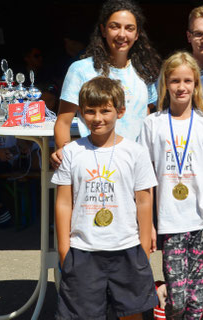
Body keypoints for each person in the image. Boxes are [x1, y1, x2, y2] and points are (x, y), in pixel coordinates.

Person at [52, 77, 157, 319]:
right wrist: (64, 250)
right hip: (83, 249)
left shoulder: (136, 153)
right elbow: (64, 203)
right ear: (81, 112)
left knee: (132, 313)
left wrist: (143, 250)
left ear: (120, 111)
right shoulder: (71, 152)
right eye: (90, 111)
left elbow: (144, 202)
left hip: (127, 248)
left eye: (105, 110)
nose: (97, 118)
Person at [140, 51, 203, 319]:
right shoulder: (152, 123)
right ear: (165, 84)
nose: (181, 87)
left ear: (196, 84)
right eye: (175, 81)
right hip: (170, 221)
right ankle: (161, 290)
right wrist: (148, 223)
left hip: (202, 220)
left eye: (187, 81)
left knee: (196, 297)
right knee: (178, 297)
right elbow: (145, 178)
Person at [51, 0, 162, 168]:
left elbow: (145, 117)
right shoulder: (80, 70)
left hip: (134, 164)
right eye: (114, 27)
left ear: (137, 34)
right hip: (93, 163)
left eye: (129, 28)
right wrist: (65, 155)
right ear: (103, 30)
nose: (122, 34)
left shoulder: (145, 72)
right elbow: (63, 122)